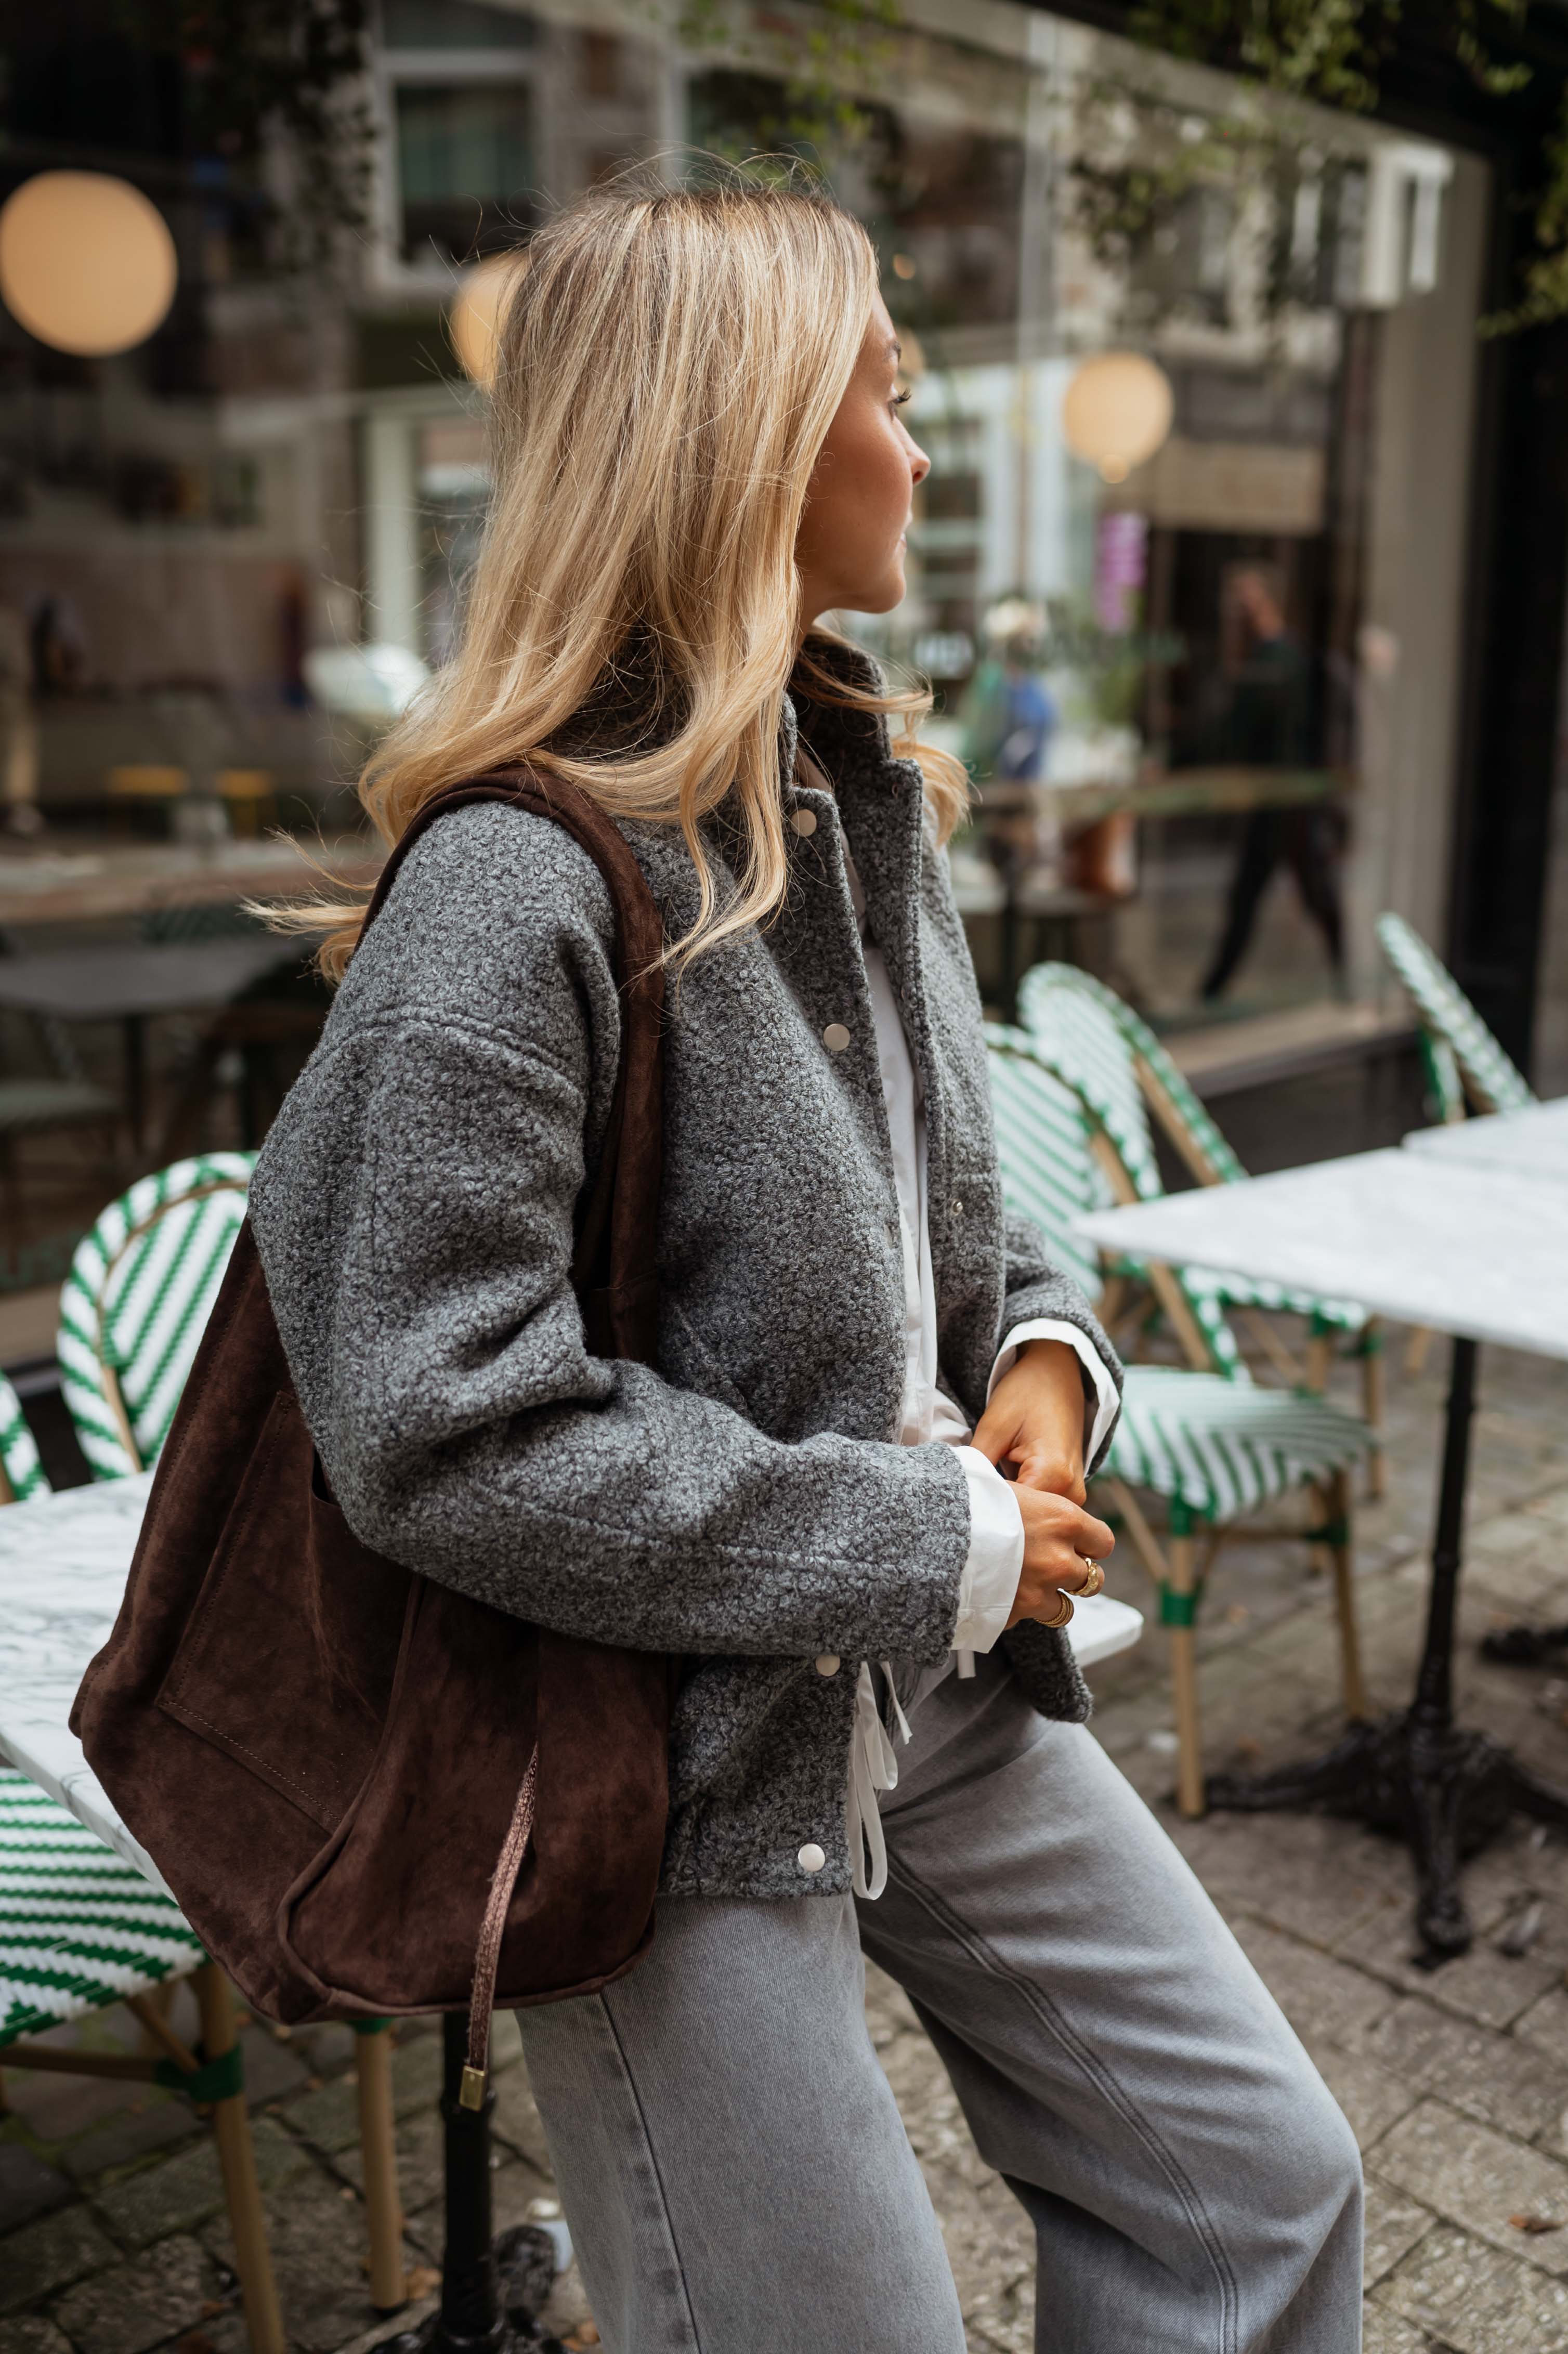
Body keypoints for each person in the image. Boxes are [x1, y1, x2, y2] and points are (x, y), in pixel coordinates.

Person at [253, 174, 1363, 2352]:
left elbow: (961, 1197)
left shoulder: (846, 790)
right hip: (648, 1768)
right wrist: (930, 1526)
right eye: (885, 389)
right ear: (746, 436)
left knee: (1261, 2188)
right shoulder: (514, 880)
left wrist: (1042, 1345)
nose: (923, 442)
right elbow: (439, 1427)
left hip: (921, 1683)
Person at [1199, 562, 1345, 1001]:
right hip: (1278, 800)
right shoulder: (1272, 658)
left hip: (1287, 801)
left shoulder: (1278, 661)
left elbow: (1238, 729)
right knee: (1271, 893)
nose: (1237, 616)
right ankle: (1213, 988)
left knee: (1297, 891)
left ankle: (1213, 989)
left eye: (1244, 605)